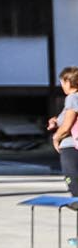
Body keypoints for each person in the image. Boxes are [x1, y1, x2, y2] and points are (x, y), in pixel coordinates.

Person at [51, 66, 78, 196]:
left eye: (62, 82)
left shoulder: (72, 98)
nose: (62, 85)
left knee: (75, 187)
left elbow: (67, 126)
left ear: (68, 82)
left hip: (71, 147)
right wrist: (56, 121)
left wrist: (56, 138)